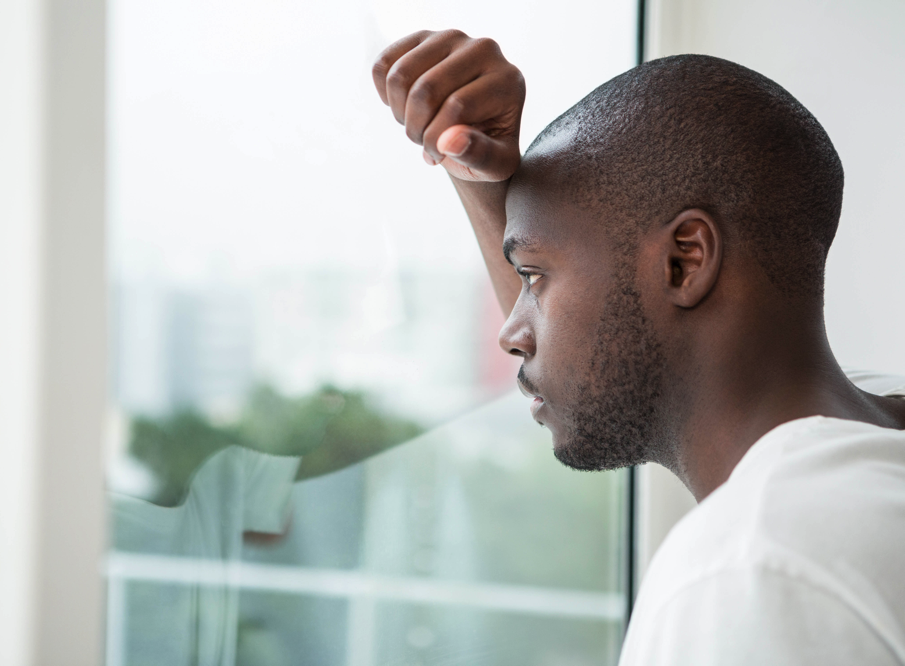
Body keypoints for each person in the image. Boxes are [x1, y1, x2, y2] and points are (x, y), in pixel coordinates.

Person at [372, 29, 905, 664]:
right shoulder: (869, 441)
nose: (509, 334)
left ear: (684, 263)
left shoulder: (755, 570)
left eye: (535, 279)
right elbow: (593, 358)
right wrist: (483, 186)